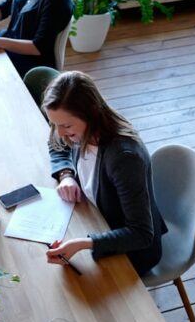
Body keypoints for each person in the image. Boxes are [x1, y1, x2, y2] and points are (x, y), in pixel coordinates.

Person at [42, 71, 166, 275]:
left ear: (90, 114)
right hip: (95, 218)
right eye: (55, 124)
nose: (60, 132)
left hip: (131, 250)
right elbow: (57, 143)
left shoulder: (124, 158)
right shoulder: (79, 128)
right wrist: (66, 175)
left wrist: (85, 243)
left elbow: (141, 234)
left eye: (66, 126)